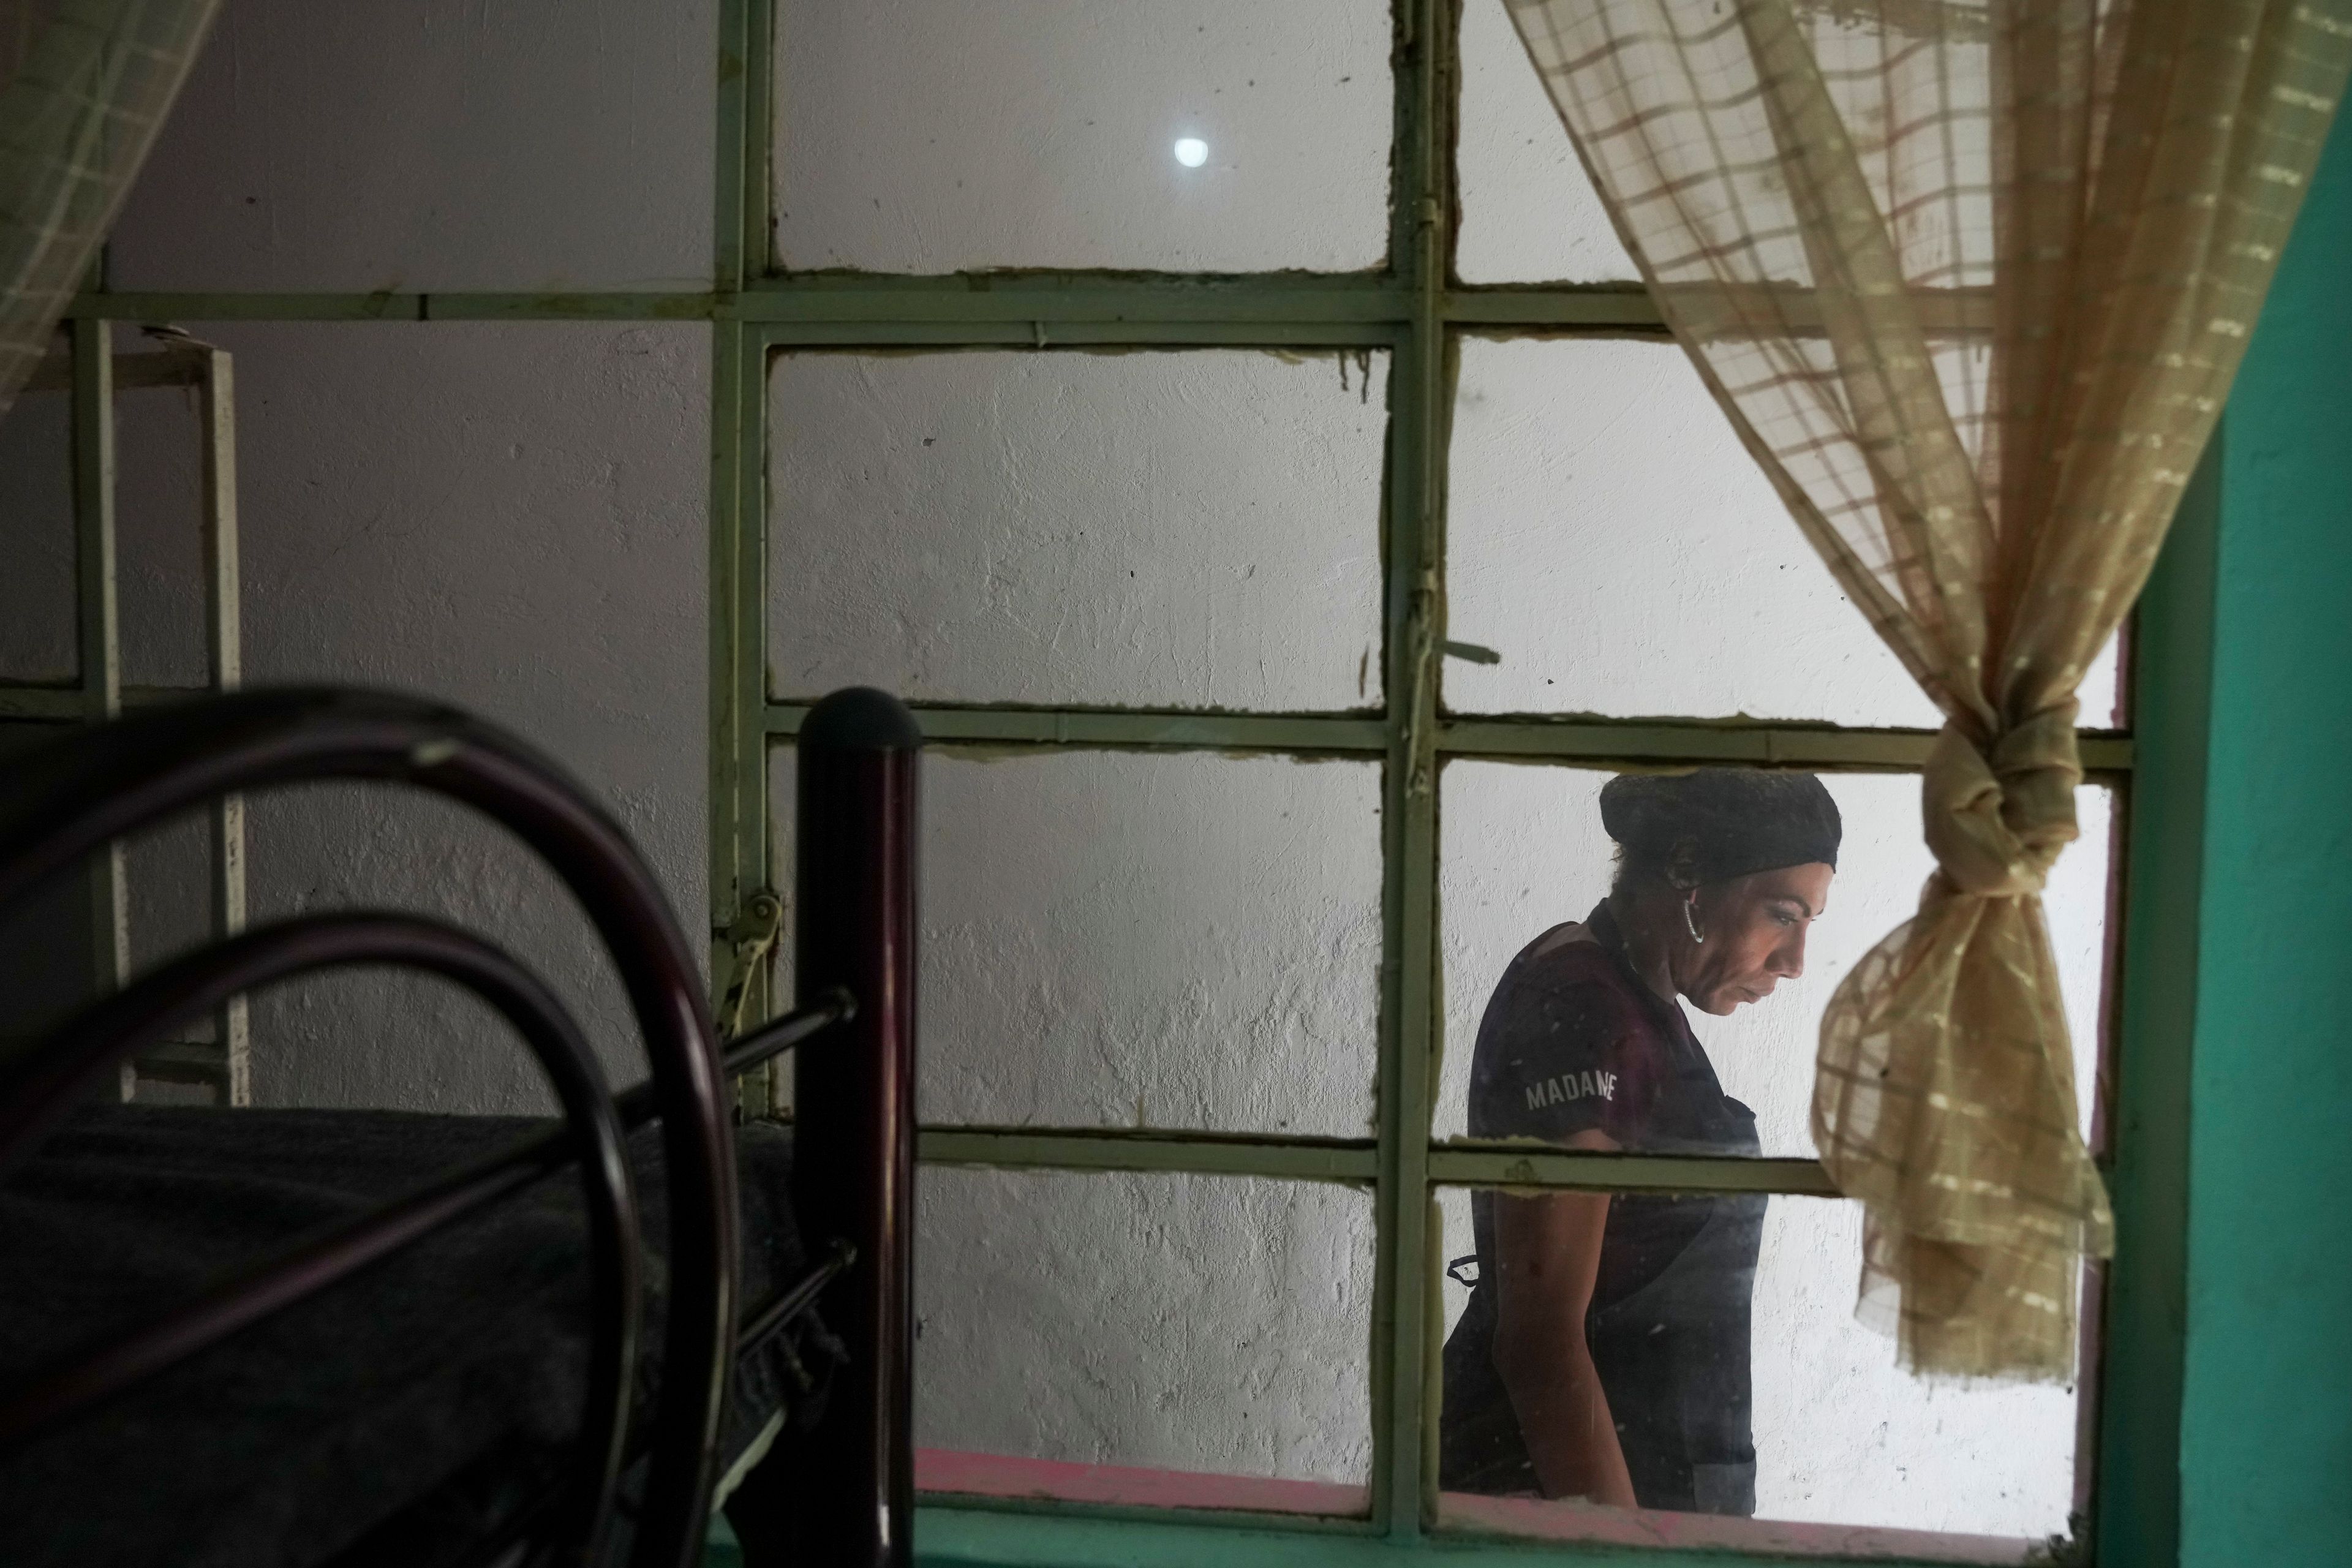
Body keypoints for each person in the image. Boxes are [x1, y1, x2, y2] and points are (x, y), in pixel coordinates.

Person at [1438, 767, 1840, 1517]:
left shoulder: (1640, 995)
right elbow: (1540, 1343)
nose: (1795, 961)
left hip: (1649, 1483)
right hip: (1559, 1495)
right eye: (1782, 914)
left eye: (1810, 922)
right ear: (1688, 874)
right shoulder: (1588, 1010)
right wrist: (1621, 1548)